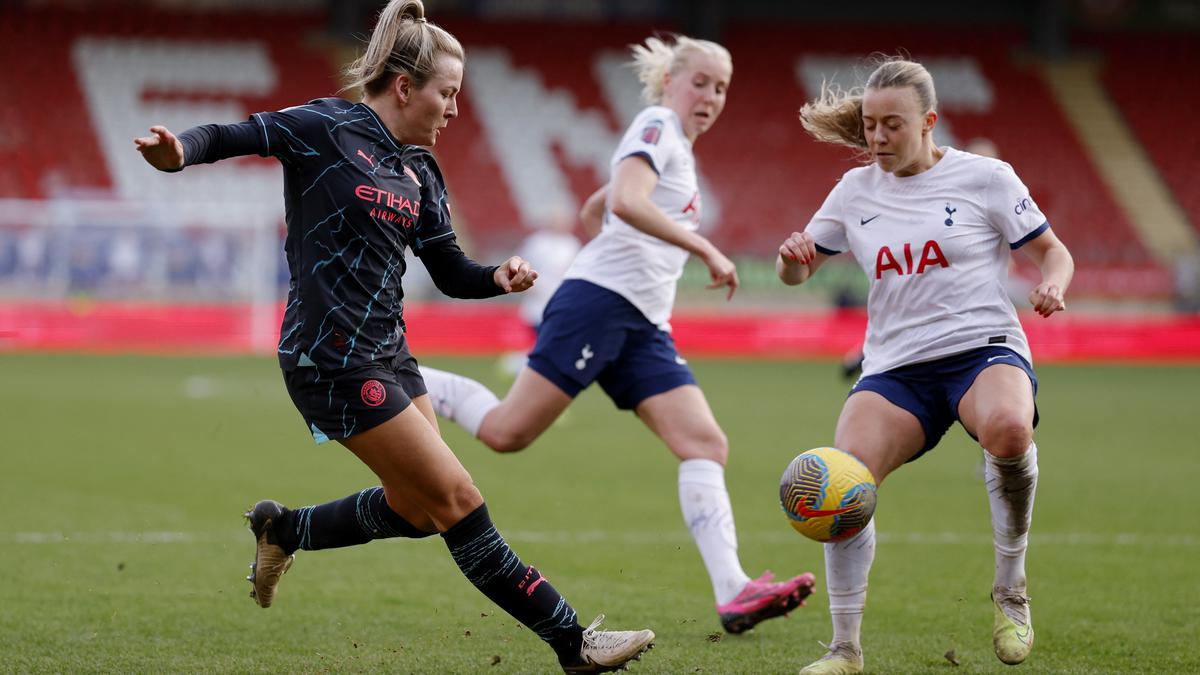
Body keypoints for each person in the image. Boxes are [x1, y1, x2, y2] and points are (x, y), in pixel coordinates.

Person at [133, 2, 655, 672]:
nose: (455, 109)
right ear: (406, 88)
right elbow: (241, 133)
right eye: (448, 93)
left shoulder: (421, 173)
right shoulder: (325, 127)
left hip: (390, 354)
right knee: (457, 499)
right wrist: (179, 154)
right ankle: (572, 640)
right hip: (328, 357)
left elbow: (451, 271)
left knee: (415, 508)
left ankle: (284, 529)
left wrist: (497, 275)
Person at [421, 34, 816, 635]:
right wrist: (701, 245)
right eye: (700, 82)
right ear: (670, 83)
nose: (710, 96)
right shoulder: (657, 124)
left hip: (641, 321)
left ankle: (734, 591)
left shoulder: (675, 147)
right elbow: (627, 201)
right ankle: (402, 374)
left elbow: (598, 209)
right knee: (506, 432)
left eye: (721, 88)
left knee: (705, 444)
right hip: (601, 306)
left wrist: (617, 236)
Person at [777, 57, 1074, 674]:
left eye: (892, 125)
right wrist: (792, 258)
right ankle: (845, 650)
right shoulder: (855, 191)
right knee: (843, 482)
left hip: (982, 347)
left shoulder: (987, 177)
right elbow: (797, 271)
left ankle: (1011, 588)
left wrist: (1053, 283)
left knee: (1010, 430)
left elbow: (1054, 253)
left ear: (929, 122)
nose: (878, 138)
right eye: (869, 125)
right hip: (896, 367)